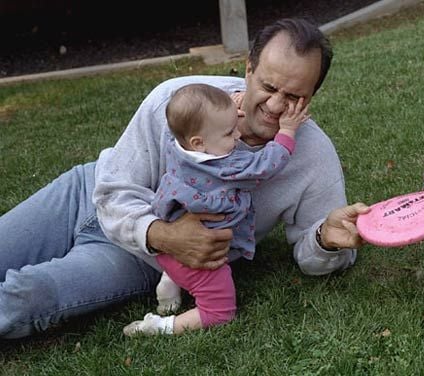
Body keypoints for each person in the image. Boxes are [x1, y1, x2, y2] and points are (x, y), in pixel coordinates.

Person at [0, 17, 369, 340]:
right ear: (248, 69)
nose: (275, 106)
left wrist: (326, 240)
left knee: (26, 297)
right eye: (269, 88)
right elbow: (113, 188)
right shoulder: (176, 99)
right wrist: (166, 234)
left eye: (294, 98)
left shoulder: (313, 156)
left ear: (312, 97)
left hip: (140, 260)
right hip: (86, 191)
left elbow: (313, 254)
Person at [123, 83, 310, 335]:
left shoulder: (176, 147)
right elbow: (266, 164)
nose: (237, 136)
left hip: (168, 245)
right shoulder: (227, 166)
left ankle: (170, 281)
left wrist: (222, 116)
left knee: (178, 269)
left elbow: (192, 122)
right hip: (201, 256)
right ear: (199, 142)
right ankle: (160, 326)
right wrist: (287, 130)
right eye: (229, 132)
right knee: (220, 313)